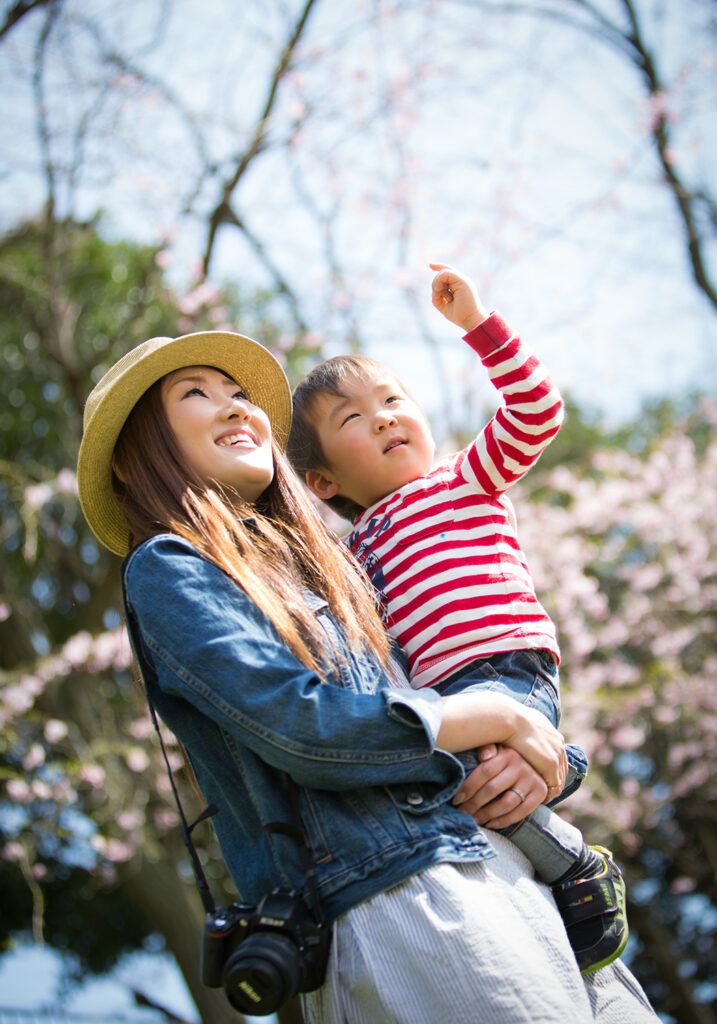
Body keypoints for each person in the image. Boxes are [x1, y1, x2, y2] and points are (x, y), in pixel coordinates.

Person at [76, 328, 658, 1023]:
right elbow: (302, 727)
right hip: (408, 897)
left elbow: (463, 684)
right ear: (131, 456)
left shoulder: (344, 565)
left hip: (513, 871)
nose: (236, 407)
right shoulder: (170, 567)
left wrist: (545, 762)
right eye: (196, 395)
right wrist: (501, 719)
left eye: (238, 393)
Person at [287, 264, 627, 975]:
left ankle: (571, 851)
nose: (381, 416)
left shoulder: (464, 477)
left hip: (503, 667)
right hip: (442, 700)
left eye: (391, 399)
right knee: (443, 782)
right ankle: (553, 842)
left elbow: (536, 410)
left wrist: (478, 324)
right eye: (352, 418)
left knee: (481, 774)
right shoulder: (354, 550)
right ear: (323, 483)